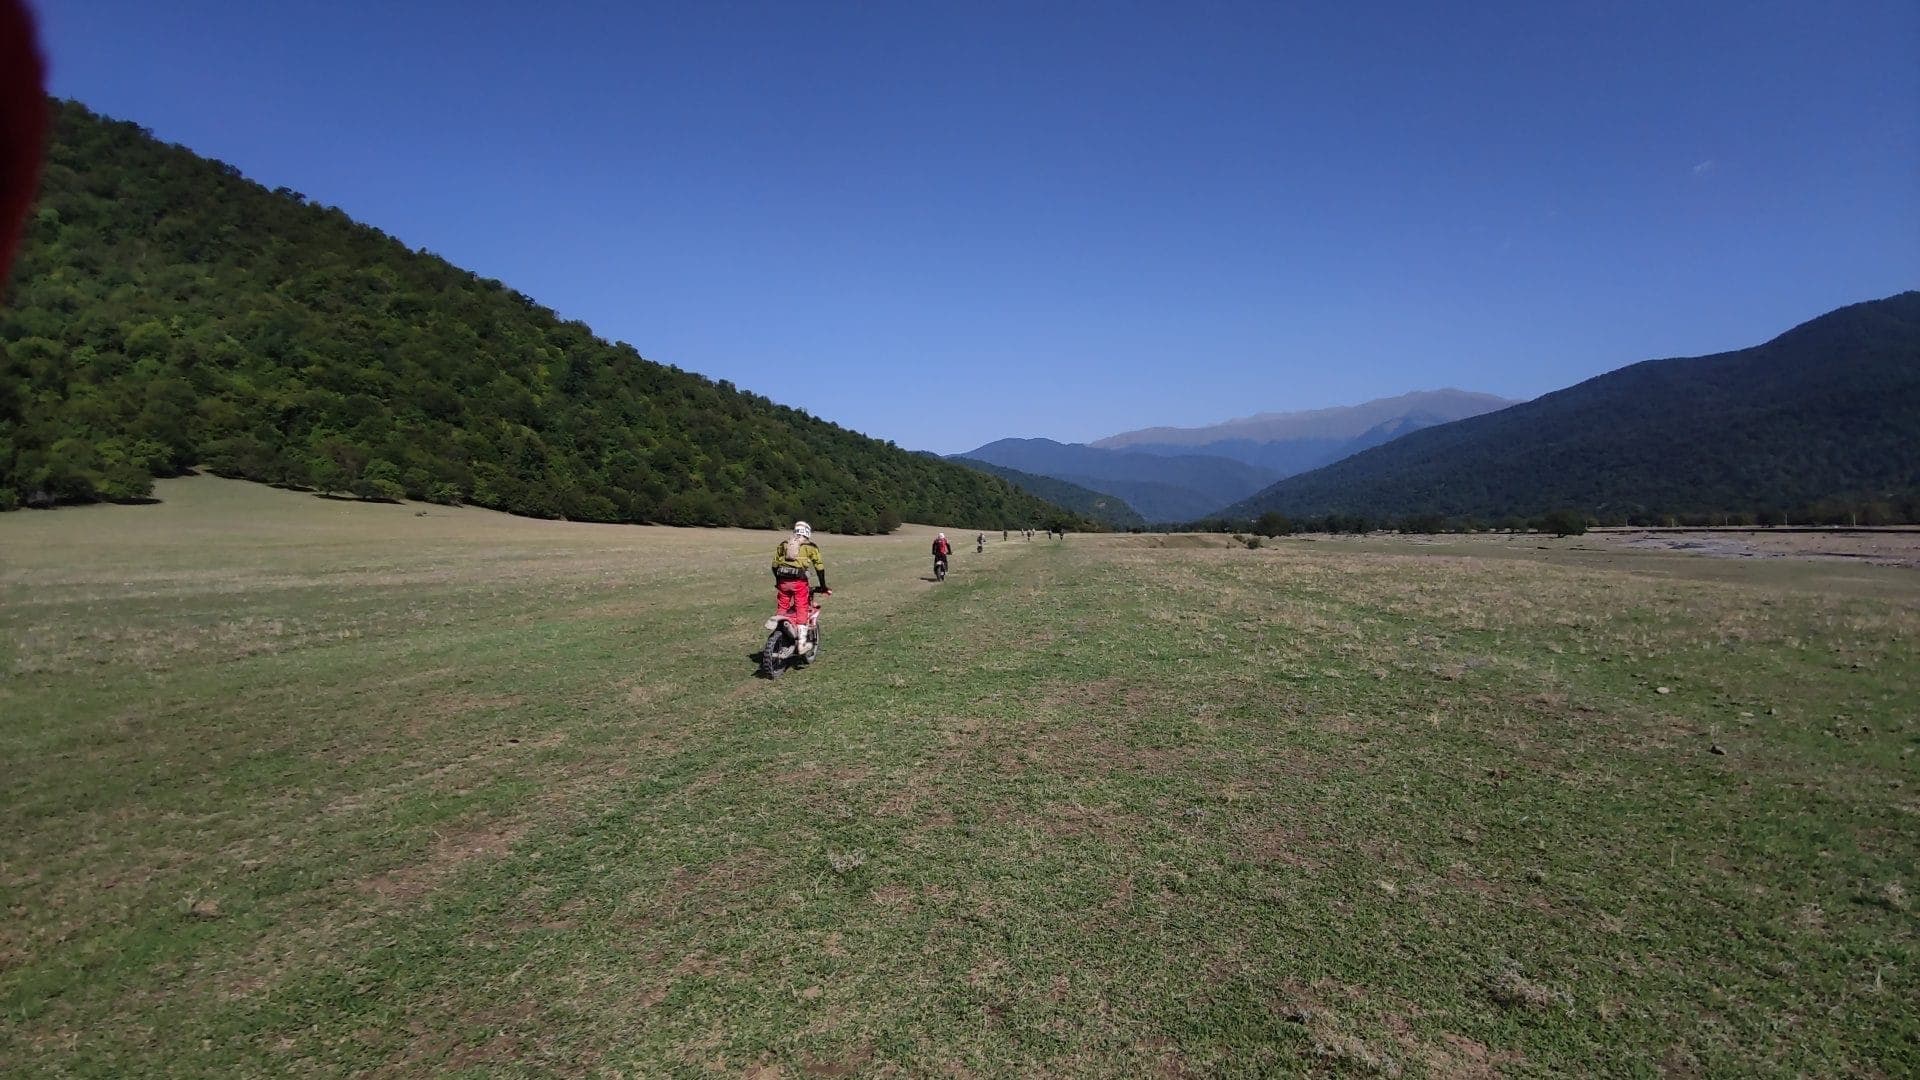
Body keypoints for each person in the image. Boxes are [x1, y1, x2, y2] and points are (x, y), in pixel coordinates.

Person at [771, 521, 828, 653]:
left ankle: (781, 631)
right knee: (801, 607)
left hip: (783, 582)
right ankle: (801, 643)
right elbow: (819, 567)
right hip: (799, 583)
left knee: (782, 606)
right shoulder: (810, 547)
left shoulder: (784, 544)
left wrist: (779, 581)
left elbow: (774, 565)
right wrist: (823, 586)